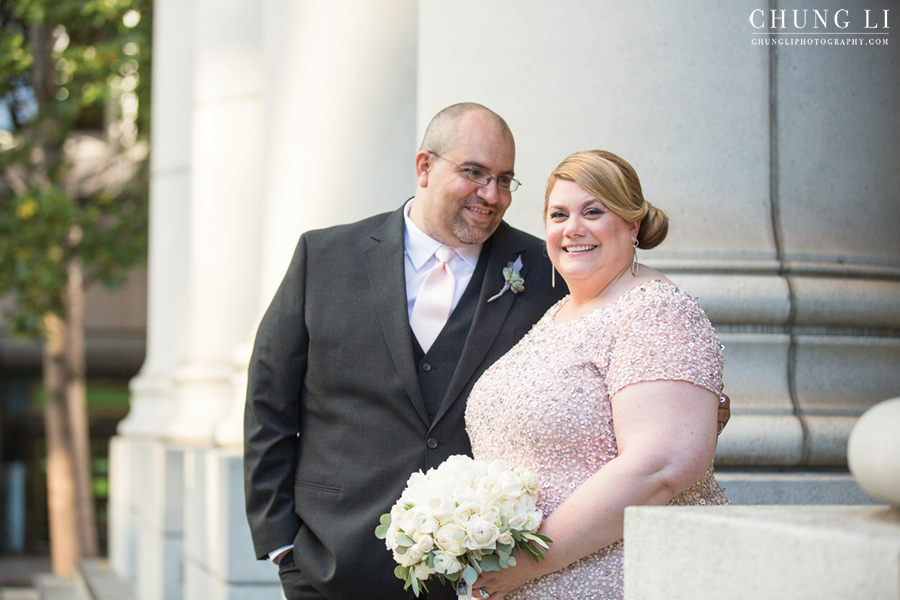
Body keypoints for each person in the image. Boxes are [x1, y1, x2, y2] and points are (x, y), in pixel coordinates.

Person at [243, 103, 567, 600]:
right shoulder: (324, 257)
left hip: (481, 578)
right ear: (424, 167)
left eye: (505, 180)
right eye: (474, 173)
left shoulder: (543, 273)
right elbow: (269, 402)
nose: (492, 195)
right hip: (329, 565)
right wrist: (281, 544)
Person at [467, 150, 730, 600]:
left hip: (630, 581)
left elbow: (662, 465)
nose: (573, 228)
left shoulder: (655, 311)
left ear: (633, 225)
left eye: (594, 211)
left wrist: (529, 562)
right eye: (559, 214)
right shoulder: (555, 316)